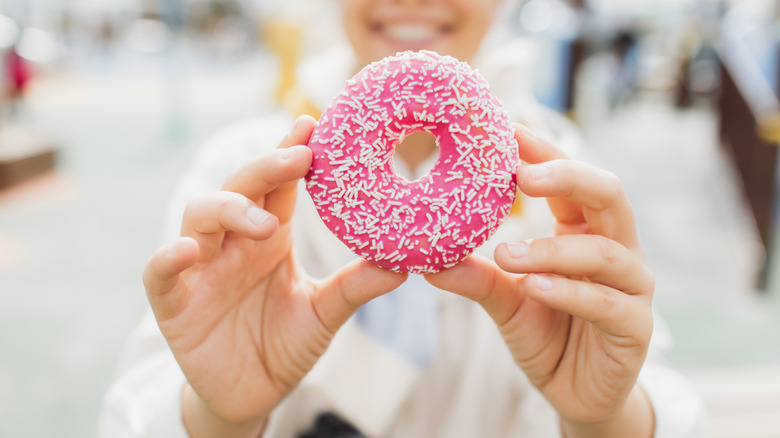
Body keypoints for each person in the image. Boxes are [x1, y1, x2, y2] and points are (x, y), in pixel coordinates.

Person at [98, 0, 706, 437]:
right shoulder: (244, 178)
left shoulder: (567, 185)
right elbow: (129, 414)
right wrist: (215, 418)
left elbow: (672, 401)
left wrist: (605, 420)